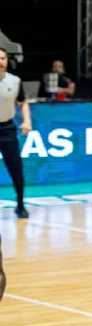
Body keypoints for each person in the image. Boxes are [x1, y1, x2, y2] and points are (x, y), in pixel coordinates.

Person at [0, 47, 31, 219]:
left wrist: (27, 121)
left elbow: (23, 102)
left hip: (7, 129)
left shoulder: (15, 81)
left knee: (16, 169)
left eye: (3, 58)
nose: (0, 62)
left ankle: (20, 205)